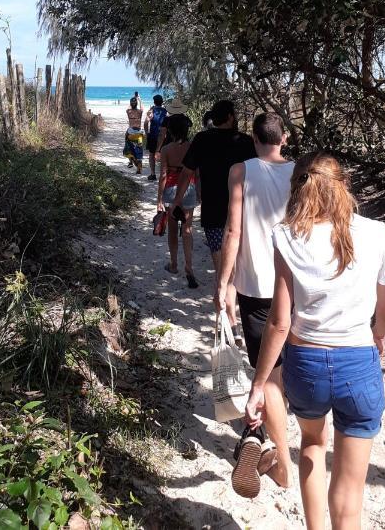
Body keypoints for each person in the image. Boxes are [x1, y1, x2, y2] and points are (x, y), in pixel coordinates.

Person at [246, 153, 385, 530]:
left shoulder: (287, 235)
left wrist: (259, 384)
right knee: (351, 490)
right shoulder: (377, 233)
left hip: (307, 364)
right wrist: (379, 338)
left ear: (298, 189)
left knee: (313, 447)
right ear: (344, 187)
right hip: (359, 362)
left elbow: (279, 321)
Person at [216, 112, 294, 498]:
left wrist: (224, 281)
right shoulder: (302, 174)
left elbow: (234, 229)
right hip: (299, 284)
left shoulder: (241, 171)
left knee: (271, 375)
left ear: (253, 137)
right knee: (285, 368)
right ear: (286, 137)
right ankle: (258, 431)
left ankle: (282, 465)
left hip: (258, 284)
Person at [173, 99, 255, 337]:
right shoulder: (246, 143)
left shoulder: (202, 139)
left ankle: (228, 323)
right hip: (244, 216)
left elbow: (187, 172)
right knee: (238, 271)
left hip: (214, 215)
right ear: (230, 117)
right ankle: (233, 324)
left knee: (223, 271)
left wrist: (177, 200)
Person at [157, 113, 199, 289]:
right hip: (189, 189)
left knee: (173, 231)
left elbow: (163, 176)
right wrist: (200, 193)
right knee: (188, 230)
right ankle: (189, 267)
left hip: (171, 191)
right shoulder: (193, 148)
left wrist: (159, 198)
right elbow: (197, 174)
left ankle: (174, 265)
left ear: (171, 131)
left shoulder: (166, 150)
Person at [144, 94, 168, 181]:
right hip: (164, 136)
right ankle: (163, 175)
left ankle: (153, 174)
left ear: (154, 102)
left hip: (153, 136)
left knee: (151, 155)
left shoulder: (151, 111)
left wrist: (147, 133)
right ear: (162, 102)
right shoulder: (166, 112)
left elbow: (146, 123)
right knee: (164, 155)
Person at [123, 96, 144, 174]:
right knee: (139, 150)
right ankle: (139, 169)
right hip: (138, 133)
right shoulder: (139, 112)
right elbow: (142, 107)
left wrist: (132, 102)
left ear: (131, 104)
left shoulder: (129, 112)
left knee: (128, 147)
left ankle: (131, 161)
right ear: (137, 104)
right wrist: (139, 99)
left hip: (131, 132)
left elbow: (128, 107)